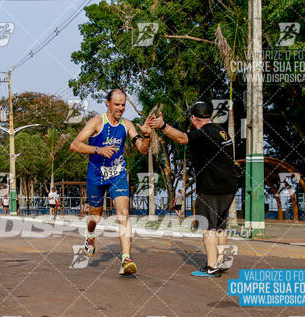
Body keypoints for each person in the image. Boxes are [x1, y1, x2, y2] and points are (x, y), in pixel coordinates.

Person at [150, 101, 240, 277]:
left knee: (208, 227)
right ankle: (220, 261)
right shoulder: (221, 131)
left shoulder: (203, 133)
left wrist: (163, 126)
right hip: (229, 186)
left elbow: (182, 138)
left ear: (193, 118)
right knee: (221, 225)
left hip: (211, 187)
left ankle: (211, 266)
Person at [70, 88, 152, 276]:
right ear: (108, 103)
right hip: (96, 177)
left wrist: (146, 135)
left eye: (123, 104)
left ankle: (126, 259)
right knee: (95, 218)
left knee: (123, 213)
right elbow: (74, 145)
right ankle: (90, 235)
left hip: (118, 175)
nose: (121, 108)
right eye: (117, 104)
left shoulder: (127, 125)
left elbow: (142, 149)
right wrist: (98, 150)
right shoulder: (97, 122)